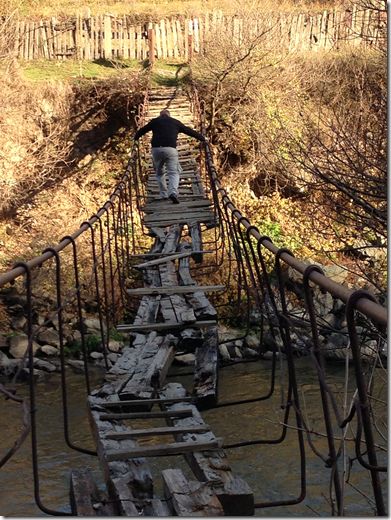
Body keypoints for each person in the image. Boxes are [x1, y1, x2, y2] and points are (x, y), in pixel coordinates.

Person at [134, 109, 206, 204]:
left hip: (156, 150)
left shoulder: (155, 121)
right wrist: (202, 138)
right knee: (173, 173)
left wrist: (135, 138)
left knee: (159, 173)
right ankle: (172, 192)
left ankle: (163, 194)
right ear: (169, 115)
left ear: (160, 115)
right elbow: (188, 131)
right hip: (170, 149)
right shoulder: (175, 122)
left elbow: (142, 130)